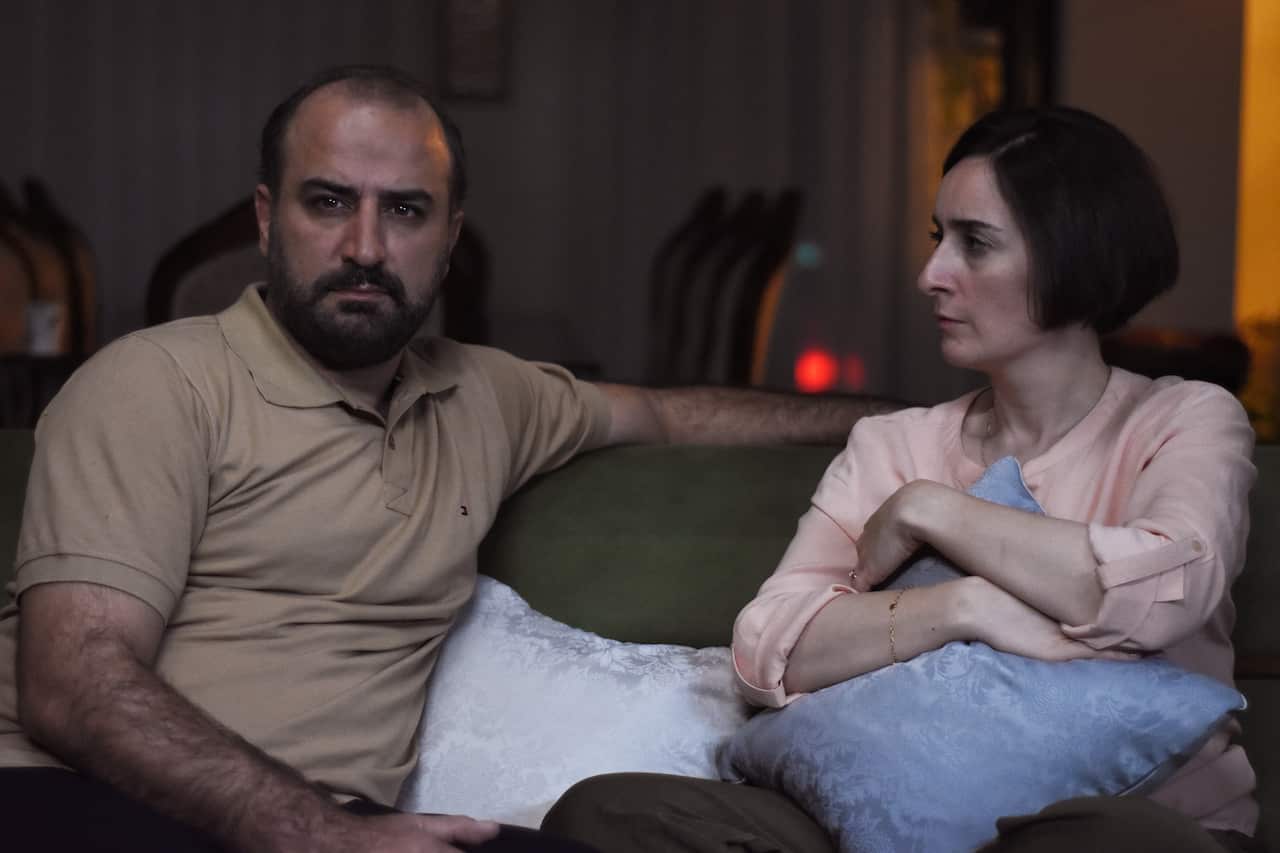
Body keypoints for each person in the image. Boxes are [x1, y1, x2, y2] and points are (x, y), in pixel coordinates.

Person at [0, 65, 898, 853]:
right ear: (268, 220)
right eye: (327, 201)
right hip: (72, 796)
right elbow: (73, 683)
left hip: (331, 821)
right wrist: (309, 830)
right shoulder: (156, 383)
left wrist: (926, 419)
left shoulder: (483, 396)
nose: (364, 246)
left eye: (403, 210)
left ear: (451, 235)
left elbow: (668, 412)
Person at [544, 107, 1264, 852]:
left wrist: (933, 511)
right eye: (936, 238)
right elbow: (770, 649)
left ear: (1072, 255)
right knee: (608, 814)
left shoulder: (1185, 419)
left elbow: (1160, 592)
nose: (931, 275)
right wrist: (962, 606)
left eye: (974, 245)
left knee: (1113, 844)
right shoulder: (894, 441)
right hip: (871, 804)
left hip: (1099, 818)